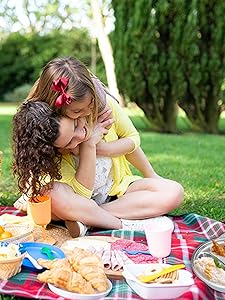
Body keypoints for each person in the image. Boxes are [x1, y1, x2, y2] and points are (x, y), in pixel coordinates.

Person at [12, 101, 184, 237]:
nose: (80, 136)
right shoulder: (53, 145)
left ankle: (88, 220)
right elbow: (82, 197)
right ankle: (124, 224)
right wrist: (89, 145)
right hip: (78, 201)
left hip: (117, 194)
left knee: (174, 191)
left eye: (75, 127)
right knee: (51, 193)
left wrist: (151, 175)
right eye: (69, 142)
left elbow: (132, 142)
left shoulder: (101, 112)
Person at [14, 56, 161, 212]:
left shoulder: (103, 109)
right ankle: (92, 214)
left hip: (113, 189)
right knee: (53, 200)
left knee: (173, 192)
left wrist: (97, 147)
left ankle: (95, 215)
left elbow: (132, 138)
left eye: (90, 104)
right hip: (76, 195)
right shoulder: (51, 128)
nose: (87, 112)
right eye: (77, 112)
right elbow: (40, 164)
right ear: (56, 107)